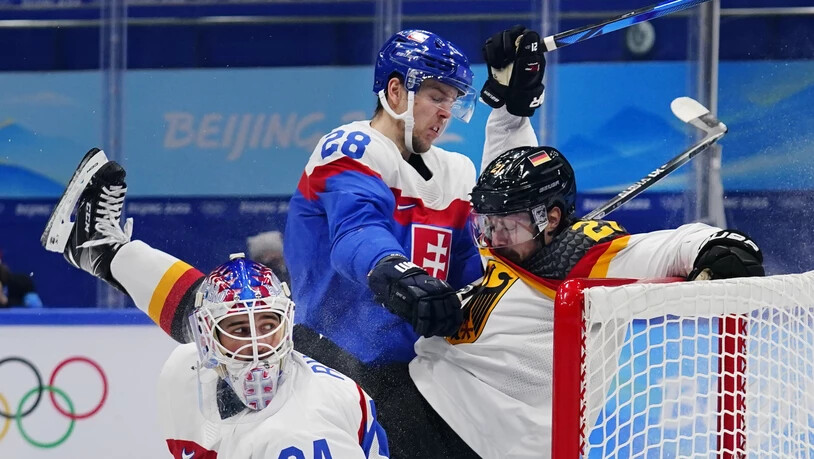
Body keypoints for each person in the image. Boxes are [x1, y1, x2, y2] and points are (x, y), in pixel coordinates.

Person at [408, 146, 765, 456]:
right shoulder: (512, 248)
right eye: (488, 224)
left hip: (466, 428)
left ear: (551, 219)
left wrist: (722, 248)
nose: (494, 238)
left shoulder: (584, 258)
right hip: (428, 391)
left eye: (507, 226)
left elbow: (677, 246)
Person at [40, 150, 389, 458]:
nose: (257, 345)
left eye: (268, 326)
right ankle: (100, 251)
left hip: (404, 400)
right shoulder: (183, 374)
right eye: (239, 329)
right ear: (206, 339)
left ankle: (100, 251)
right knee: (226, 302)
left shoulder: (305, 429)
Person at [283, 28, 489, 455]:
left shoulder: (458, 171)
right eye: (436, 95)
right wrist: (401, 274)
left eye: (453, 100)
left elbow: (469, 265)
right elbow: (354, 234)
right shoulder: (349, 147)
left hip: (415, 370)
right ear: (395, 91)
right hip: (329, 360)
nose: (446, 112)